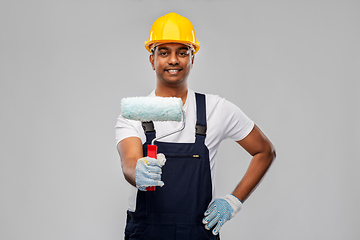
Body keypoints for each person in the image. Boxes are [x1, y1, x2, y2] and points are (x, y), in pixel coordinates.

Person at [115, 12, 276, 240]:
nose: (173, 60)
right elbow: (129, 160)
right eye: (164, 52)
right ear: (152, 60)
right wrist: (137, 172)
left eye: (182, 52)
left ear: (193, 58)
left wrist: (233, 201)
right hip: (146, 232)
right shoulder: (134, 115)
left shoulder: (215, 109)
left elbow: (264, 151)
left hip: (198, 233)